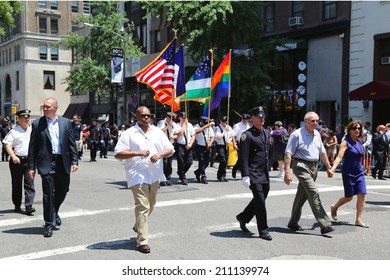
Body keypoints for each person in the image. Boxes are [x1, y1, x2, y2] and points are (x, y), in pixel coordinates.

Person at [114, 106, 174, 254]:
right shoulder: (129, 133)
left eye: (148, 116)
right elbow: (118, 153)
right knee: (143, 206)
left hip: (155, 174)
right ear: (136, 116)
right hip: (137, 174)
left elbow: (170, 149)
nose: (146, 118)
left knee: (151, 204)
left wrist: (160, 154)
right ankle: (142, 241)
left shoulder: (157, 132)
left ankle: (138, 225)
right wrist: (137, 152)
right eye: (143, 116)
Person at [27, 97, 79, 237]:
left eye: (47, 107)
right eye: (43, 106)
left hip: (62, 162)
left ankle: (54, 210)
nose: (44, 109)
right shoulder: (38, 124)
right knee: (48, 194)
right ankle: (49, 224)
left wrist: (75, 161)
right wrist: (31, 167)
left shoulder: (66, 123)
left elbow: (71, 143)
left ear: (55, 108)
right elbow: (32, 147)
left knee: (63, 190)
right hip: (46, 163)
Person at [283, 111, 334, 235]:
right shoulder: (296, 134)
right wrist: (287, 173)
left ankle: (293, 222)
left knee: (302, 195)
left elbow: (322, 152)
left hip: (314, 166)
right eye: (313, 121)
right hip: (300, 165)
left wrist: (328, 166)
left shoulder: (317, 134)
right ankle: (325, 224)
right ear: (305, 122)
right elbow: (288, 153)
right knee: (313, 192)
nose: (316, 123)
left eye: (317, 121)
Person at [235, 106, 272, 241]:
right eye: (259, 117)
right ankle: (263, 230)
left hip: (264, 173)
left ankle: (243, 217)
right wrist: (245, 175)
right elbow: (243, 156)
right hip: (253, 173)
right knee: (261, 202)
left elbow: (268, 152)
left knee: (260, 199)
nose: (262, 119)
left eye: (263, 117)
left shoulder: (266, 132)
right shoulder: (247, 135)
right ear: (253, 119)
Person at [329, 120, 369, 228]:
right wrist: (333, 168)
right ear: (349, 130)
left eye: (359, 128)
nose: (357, 130)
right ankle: (334, 207)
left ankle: (358, 219)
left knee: (362, 194)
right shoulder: (345, 142)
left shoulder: (360, 142)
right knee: (349, 197)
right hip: (348, 172)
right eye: (354, 128)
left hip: (359, 172)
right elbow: (339, 157)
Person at [2, 109, 35, 215]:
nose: (27, 119)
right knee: (16, 184)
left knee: (29, 183)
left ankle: (29, 206)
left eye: (28, 117)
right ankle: (17, 204)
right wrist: (13, 156)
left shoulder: (33, 130)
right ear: (19, 119)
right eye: (25, 117)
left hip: (29, 160)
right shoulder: (14, 131)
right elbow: (7, 144)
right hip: (17, 161)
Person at [174, 112, 195, 185]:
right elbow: (180, 132)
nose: (184, 119)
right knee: (181, 162)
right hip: (181, 145)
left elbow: (193, 135)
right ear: (179, 118)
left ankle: (181, 172)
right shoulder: (177, 125)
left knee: (189, 162)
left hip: (189, 145)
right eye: (182, 118)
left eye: (185, 117)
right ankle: (183, 177)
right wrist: (184, 125)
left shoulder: (190, 125)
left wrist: (190, 144)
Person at [157, 112, 178, 186]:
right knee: (164, 163)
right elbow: (160, 131)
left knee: (169, 163)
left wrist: (174, 136)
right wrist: (168, 126)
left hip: (171, 144)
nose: (172, 120)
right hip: (163, 145)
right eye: (170, 118)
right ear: (167, 117)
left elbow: (177, 133)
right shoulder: (161, 122)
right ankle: (161, 179)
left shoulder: (174, 124)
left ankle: (168, 178)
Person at [194, 116, 215, 184]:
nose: (206, 124)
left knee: (206, 162)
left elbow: (212, 136)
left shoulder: (209, 128)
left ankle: (197, 172)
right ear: (201, 122)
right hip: (199, 146)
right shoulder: (197, 126)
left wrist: (210, 142)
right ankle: (203, 177)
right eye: (204, 123)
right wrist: (205, 127)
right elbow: (196, 131)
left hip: (207, 147)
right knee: (201, 161)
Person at [231, 114, 251, 178]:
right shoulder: (237, 126)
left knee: (245, 159)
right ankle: (240, 172)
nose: (244, 120)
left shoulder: (249, 126)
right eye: (243, 119)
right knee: (242, 159)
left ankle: (236, 168)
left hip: (247, 144)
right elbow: (233, 135)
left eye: (246, 119)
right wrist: (234, 143)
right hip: (240, 143)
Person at [214, 116, 232, 182]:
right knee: (223, 160)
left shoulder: (229, 127)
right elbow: (219, 137)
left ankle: (224, 175)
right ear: (220, 121)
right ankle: (219, 175)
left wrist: (229, 140)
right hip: (220, 145)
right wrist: (224, 131)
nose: (224, 123)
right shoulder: (217, 128)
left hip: (226, 145)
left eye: (225, 121)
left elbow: (231, 136)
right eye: (223, 121)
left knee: (226, 161)